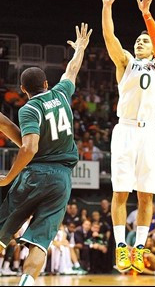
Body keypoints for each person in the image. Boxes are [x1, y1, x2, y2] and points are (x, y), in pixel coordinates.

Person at [0, 22, 92, 286]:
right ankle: (27, 282)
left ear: (23, 90)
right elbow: (72, 70)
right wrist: (81, 48)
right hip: (61, 180)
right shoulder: (62, 93)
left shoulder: (29, 109)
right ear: (46, 83)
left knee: (2, 231)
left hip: (35, 175)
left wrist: (9, 177)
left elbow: (29, 148)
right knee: (40, 242)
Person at [101, 0, 155, 273]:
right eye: (137, 42)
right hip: (126, 130)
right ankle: (120, 247)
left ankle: (139, 249)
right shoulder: (125, 62)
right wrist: (107, 6)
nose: (139, 44)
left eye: (144, 42)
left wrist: (147, 16)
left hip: (150, 133)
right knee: (120, 193)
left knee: (146, 195)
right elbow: (110, 37)